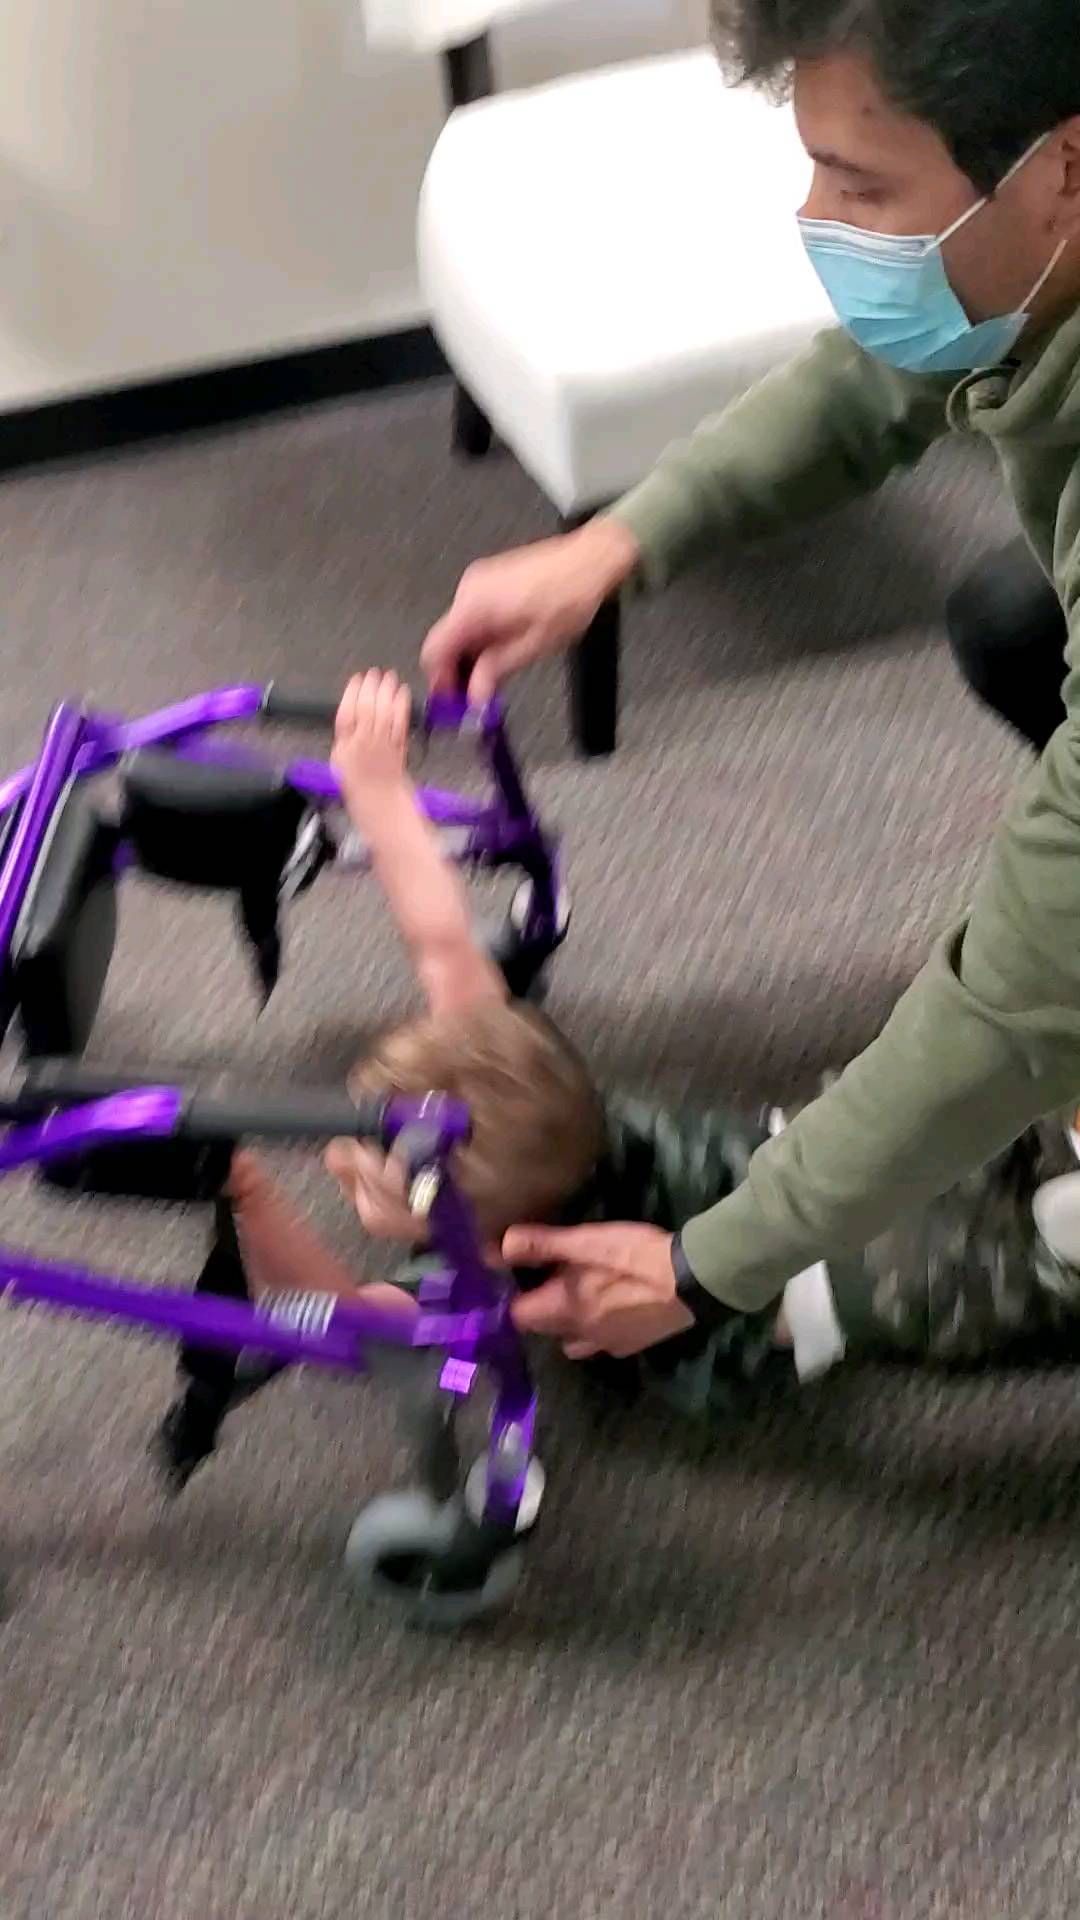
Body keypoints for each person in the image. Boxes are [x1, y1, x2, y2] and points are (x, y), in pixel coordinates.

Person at [412, 0, 1080, 1369]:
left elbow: (1019, 988)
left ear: (1063, 170)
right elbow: (871, 383)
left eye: (863, 188)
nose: (817, 222)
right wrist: (618, 542)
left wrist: (714, 1264)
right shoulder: (1025, 262)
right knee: (1015, 627)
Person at [156, 672, 1080, 1487]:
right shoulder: (535, 1092)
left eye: (368, 1181)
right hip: (783, 1158)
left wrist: (247, 1194)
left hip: (844, 1285)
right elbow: (443, 949)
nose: (334, 1162)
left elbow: (360, 1329)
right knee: (970, 1120)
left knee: (1019, 1274)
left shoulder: (496, 1265)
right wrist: (380, 791)